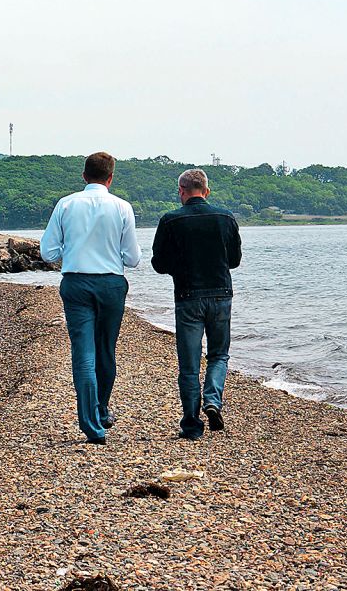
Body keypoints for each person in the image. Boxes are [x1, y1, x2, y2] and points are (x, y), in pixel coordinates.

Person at [39, 152, 140, 444]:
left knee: (83, 353)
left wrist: (69, 254)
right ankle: (102, 407)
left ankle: (91, 424)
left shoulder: (66, 204)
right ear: (110, 178)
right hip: (111, 283)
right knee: (106, 349)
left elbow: (48, 253)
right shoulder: (122, 207)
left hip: (76, 282)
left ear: (84, 176)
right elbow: (133, 258)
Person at [151, 168, 242, 441]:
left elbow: (159, 264)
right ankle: (213, 400)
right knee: (218, 355)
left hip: (188, 296)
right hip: (221, 294)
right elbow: (234, 260)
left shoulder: (170, 221)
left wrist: (180, 267)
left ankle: (191, 424)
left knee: (189, 365)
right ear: (206, 190)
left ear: (181, 191)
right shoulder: (226, 218)